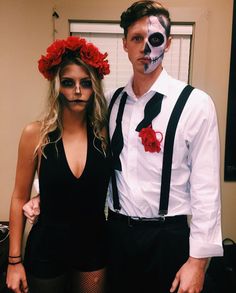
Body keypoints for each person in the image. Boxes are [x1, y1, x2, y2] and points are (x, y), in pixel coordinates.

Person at [23, 1, 223, 292]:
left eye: (155, 39)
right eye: (137, 38)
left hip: (167, 239)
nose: (146, 48)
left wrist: (198, 262)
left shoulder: (196, 104)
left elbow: (207, 191)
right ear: (125, 45)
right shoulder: (112, 105)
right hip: (116, 236)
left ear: (167, 44)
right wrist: (44, 195)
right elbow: (94, 164)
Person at [6, 36, 111, 293]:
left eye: (85, 83)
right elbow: (19, 197)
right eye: (68, 83)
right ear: (57, 87)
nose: (77, 90)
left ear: (94, 87)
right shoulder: (35, 134)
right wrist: (14, 261)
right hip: (46, 249)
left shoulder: (106, 134)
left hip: (93, 247)